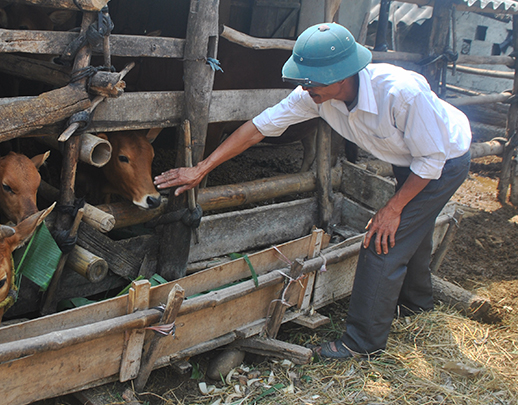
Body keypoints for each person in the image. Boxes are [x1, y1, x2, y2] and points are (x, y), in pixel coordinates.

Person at [154, 22, 472, 359]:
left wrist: (392, 208)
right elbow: (258, 128)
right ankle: (417, 306)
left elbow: (431, 160)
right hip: (408, 158)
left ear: (342, 75)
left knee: (383, 241)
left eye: (310, 80)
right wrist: (200, 169)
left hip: (441, 161)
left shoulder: (401, 93)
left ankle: (361, 344)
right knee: (412, 234)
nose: (303, 87)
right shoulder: (316, 96)